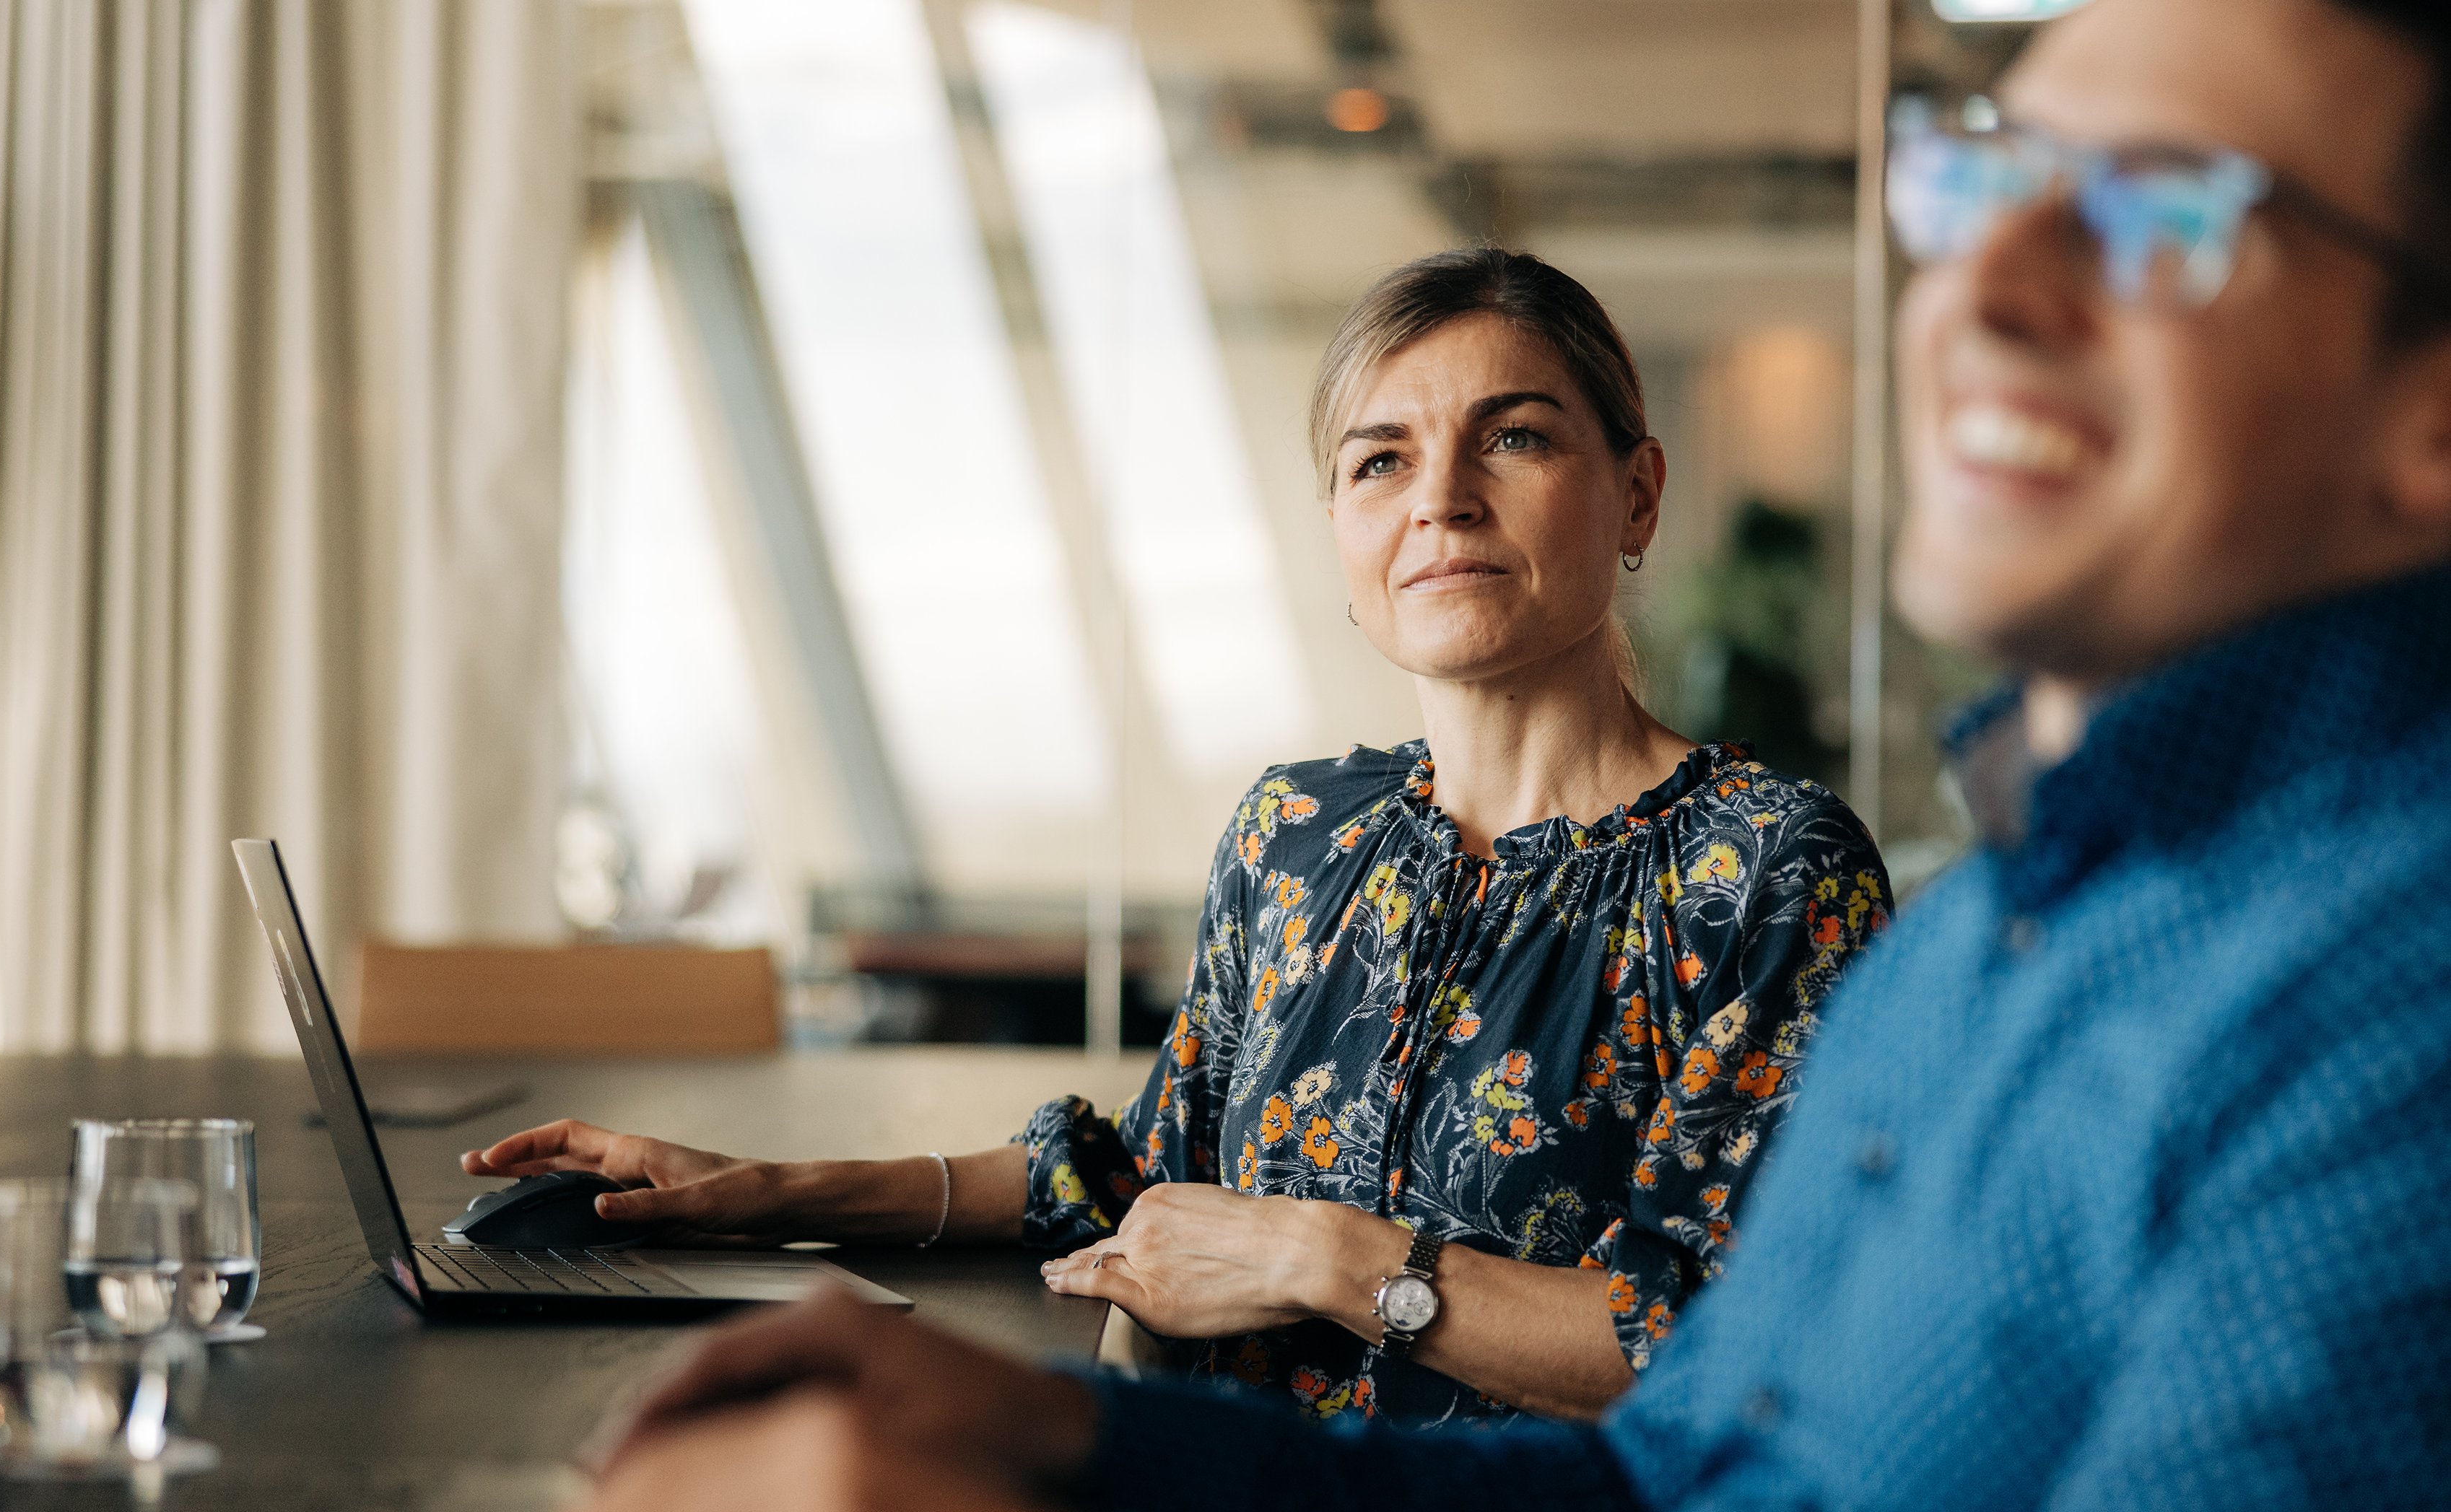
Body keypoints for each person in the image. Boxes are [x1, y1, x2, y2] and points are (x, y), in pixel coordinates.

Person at [533, 0, 2451, 1512]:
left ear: (1632, 494)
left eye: (2164, 208)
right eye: (1978, 184)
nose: (1983, 280)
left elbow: (1646, 1376)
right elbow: (1657, 1493)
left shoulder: (2357, 996)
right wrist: (1047, 1437)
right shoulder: (1990, 953)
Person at [468, 251, 1890, 1424]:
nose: (1439, 498)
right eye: (1378, 460)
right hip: (1224, 1493)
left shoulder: (1767, 872)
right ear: (1339, 526)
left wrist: (1321, 1257)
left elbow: (1721, 1350)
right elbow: (1152, 1170)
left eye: (1511, 438)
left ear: (1634, 493)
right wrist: (757, 1192)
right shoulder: (1292, 831)